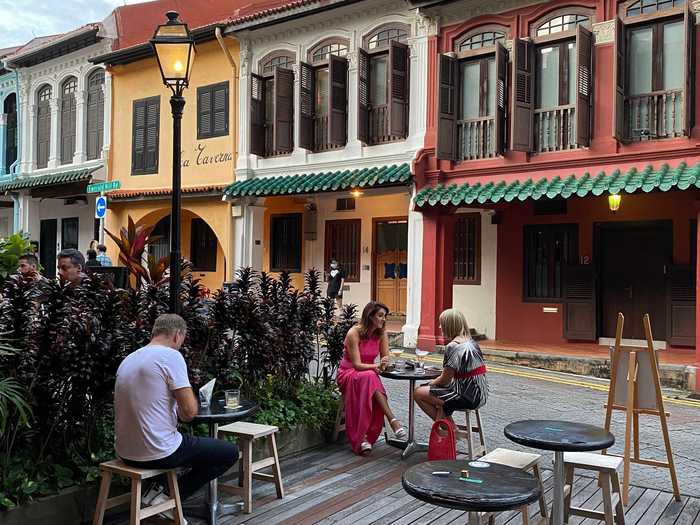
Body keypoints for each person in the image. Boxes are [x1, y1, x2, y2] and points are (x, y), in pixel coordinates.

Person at [115, 314, 238, 515]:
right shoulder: (170, 356)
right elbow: (189, 412)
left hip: (125, 452)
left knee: (179, 443)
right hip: (158, 452)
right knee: (228, 453)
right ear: (177, 335)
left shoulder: (130, 358)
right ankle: (166, 500)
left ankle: (156, 490)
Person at [336, 301, 406, 455]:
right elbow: (356, 365)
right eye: (380, 316)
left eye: (385, 316)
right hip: (348, 373)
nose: (383, 319)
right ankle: (392, 420)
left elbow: (385, 355)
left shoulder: (381, 333)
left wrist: (385, 361)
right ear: (370, 316)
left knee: (369, 378)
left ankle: (364, 438)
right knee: (370, 376)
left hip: (368, 376)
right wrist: (376, 367)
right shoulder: (353, 333)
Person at [414, 309, 488, 421]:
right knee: (432, 392)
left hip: (467, 397)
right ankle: (451, 427)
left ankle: (450, 429)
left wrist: (430, 383)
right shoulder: (471, 342)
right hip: (481, 395)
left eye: (442, 324)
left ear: (449, 326)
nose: (440, 327)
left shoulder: (453, 346)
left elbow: (445, 380)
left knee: (418, 392)